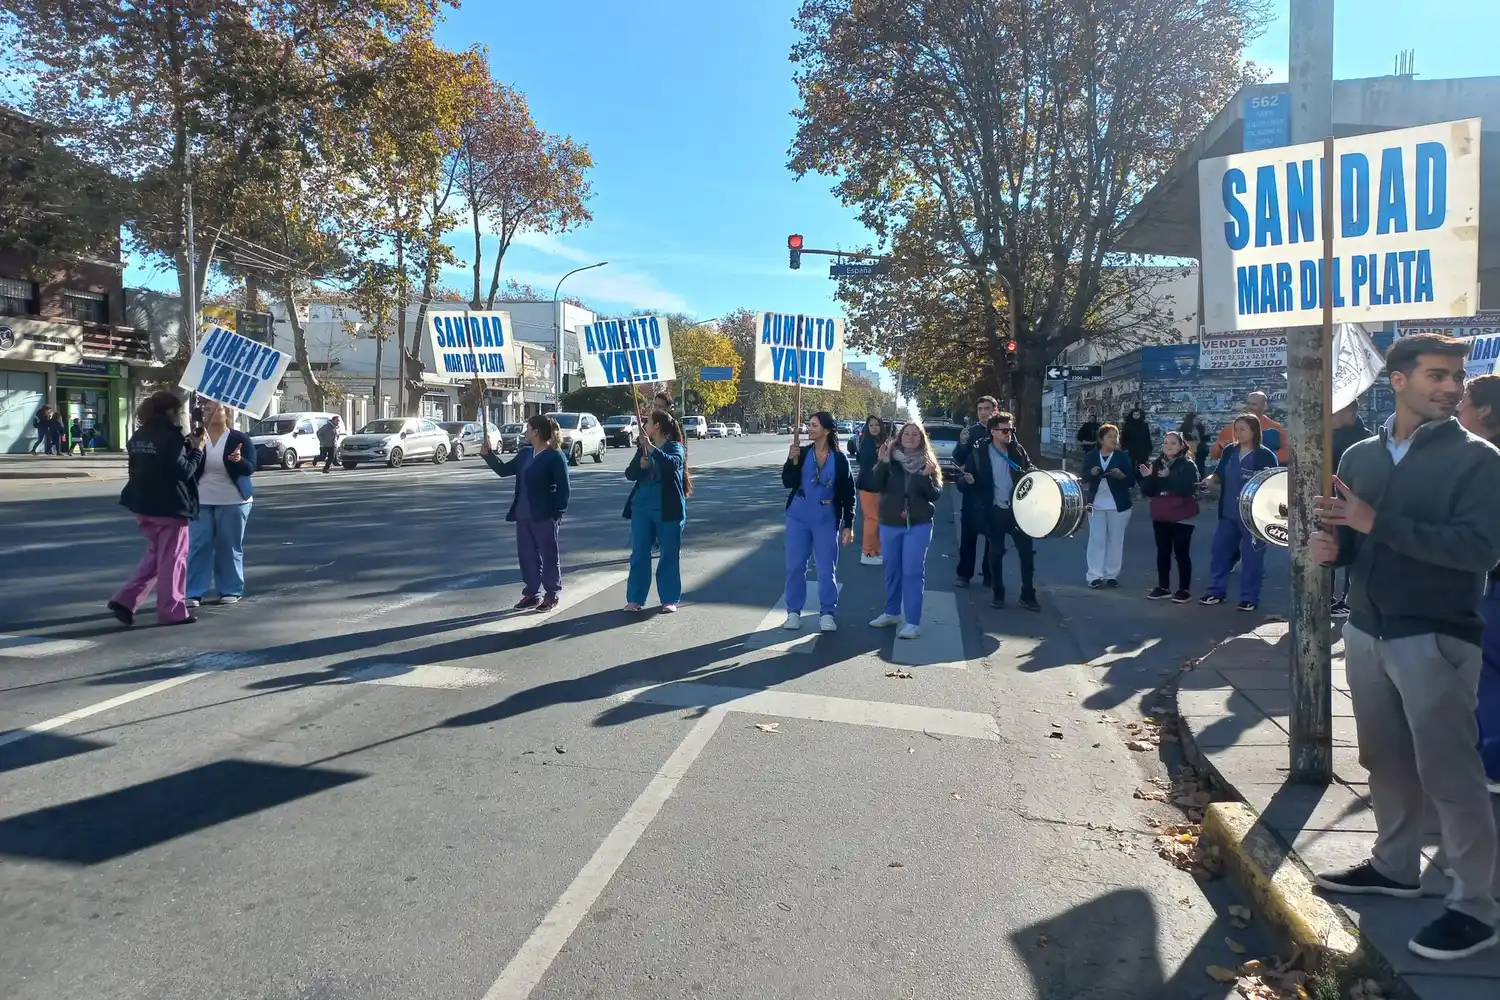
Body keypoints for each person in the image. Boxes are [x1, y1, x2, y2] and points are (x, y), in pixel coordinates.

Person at [1310, 334, 1500, 962]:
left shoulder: (1481, 460)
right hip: (1366, 630)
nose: (1451, 388)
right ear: (1397, 380)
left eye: (1458, 379)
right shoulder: (1361, 456)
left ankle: (1475, 906)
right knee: (1383, 760)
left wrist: (1372, 523)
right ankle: (1394, 867)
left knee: (1450, 774)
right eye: (1438, 376)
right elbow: (1358, 540)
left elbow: (1478, 551)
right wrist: (1335, 549)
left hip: (1437, 633)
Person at [108, 391, 205, 627]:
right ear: (170, 411)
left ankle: (126, 599)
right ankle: (172, 611)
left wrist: (186, 445)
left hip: (143, 505)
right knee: (173, 561)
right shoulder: (170, 437)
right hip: (170, 507)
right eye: (179, 411)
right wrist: (197, 450)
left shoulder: (140, 435)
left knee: (156, 557)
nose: (181, 415)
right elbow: (182, 471)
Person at [1456, 373, 1500, 793]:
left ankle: (1492, 764)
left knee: (1488, 673)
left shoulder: (1484, 459)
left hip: (1493, 582)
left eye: (1466, 398)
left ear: (1485, 409)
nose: (1458, 406)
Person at [483, 413, 570, 612]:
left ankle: (551, 594)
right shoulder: (524, 454)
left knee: (548, 555)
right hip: (523, 513)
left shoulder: (555, 455)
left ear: (536, 432)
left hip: (544, 515)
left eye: (528, 428)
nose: (526, 431)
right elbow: (504, 470)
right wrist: (488, 455)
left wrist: (556, 512)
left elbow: (564, 488)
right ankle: (532, 594)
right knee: (527, 556)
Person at [957, 412, 1041, 612]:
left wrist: (1037, 476)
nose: (1009, 434)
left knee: (1027, 553)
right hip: (993, 510)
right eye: (1005, 430)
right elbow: (962, 481)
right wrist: (967, 481)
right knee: (996, 553)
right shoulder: (979, 453)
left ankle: (1028, 595)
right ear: (992, 431)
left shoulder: (1017, 450)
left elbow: (1029, 470)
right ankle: (998, 593)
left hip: (1018, 511)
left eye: (1011, 430)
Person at [781, 411, 855, 632]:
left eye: (814, 425)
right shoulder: (802, 453)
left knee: (825, 569)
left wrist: (848, 525)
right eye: (809, 425)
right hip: (798, 516)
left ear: (826, 429)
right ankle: (793, 612)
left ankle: (827, 613)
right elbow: (788, 482)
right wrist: (790, 460)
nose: (809, 428)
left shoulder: (840, 460)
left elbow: (848, 494)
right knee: (795, 567)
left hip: (825, 518)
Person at [869, 421, 942, 639]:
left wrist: (925, 476)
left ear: (921, 440)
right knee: (892, 570)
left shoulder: (927, 463)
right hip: (890, 523)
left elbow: (934, 495)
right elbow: (875, 485)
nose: (910, 437)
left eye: (915, 435)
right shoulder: (890, 461)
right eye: (906, 433)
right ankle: (891, 612)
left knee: (912, 572)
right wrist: (882, 463)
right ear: (899, 437)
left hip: (918, 524)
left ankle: (912, 622)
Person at [1200, 414, 1277, 611]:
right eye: (1237, 429)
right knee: (1220, 552)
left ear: (1254, 431)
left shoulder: (1265, 455)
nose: (1238, 433)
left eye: (1243, 429)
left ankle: (1249, 598)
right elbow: (1218, 473)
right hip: (1228, 513)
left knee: (1252, 559)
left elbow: (1273, 485)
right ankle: (1216, 592)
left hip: (1254, 517)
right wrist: (1209, 480)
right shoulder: (1230, 451)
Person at [185, 399, 255, 607]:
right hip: (201, 501)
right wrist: (193, 448)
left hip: (233, 500)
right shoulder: (195, 437)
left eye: (217, 408)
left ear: (228, 413)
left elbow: (251, 468)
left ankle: (230, 589)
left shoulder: (239, 438)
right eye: (207, 409)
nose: (212, 412)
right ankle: (193, 592)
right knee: (199, 545)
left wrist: (238, 461)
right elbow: (185, 466)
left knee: (229, 546)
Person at [623, 409, 691, 612]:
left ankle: (669, 598)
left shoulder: (675, 447)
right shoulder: (643, 448)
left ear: (657, 427)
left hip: (668, 509)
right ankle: (635, 598)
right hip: (642, 508)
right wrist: (640, 465)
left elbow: (672, 464)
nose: (644, 427)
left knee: (669, 554)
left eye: (648, 423)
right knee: (639, 554)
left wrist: (652, 449)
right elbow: (629, 474)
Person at [1139, 430, 1200, 603]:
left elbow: (1188, 488)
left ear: (1181, 445)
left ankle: (1184, 589)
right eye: (1166, 443)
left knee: (1181, 553)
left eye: (1173, 443)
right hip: (1161, 513)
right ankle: (1163, 587)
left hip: (1182, 514)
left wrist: (1170, 476)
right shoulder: (1157, 463)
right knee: (1162, 551)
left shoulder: (1187, 465)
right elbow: (1147, 491)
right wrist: (1147, 478)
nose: (1168, 446)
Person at [1329, 401, 1373, 618]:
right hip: (1328, 503)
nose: (1330, 415)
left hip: (1356, 505)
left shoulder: (1366, 441)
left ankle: (1349, 599)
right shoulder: (1325, 436)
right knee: (1327, 547)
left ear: (1349, 413)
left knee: (1355, 551)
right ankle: (1324, 597)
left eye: (1335, 411)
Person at [1080, 423, 1136, 588]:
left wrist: (1121, 476)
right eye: (1110, 436)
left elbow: (1131, 481)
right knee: (1097, 539)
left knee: (1115, 540)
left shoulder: (1122, 457)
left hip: (1119, 505)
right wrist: (1091, 473)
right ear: (1101, 439)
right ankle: (1094, 575)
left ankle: (1111, 574)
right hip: (1096, 504)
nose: (1114, 440)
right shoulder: (1091, 456)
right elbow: (1082, 477)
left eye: (1116, 436)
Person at [951, 396, 997, 588]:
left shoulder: (1003, 430)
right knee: (969, 534)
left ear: (995, 410)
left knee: (993, 537)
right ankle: (964, 574)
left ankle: (990, 574)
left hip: (995, 491)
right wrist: (962, 443)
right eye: (980, 409)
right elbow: (957, 458)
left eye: (987, 408)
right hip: (972, 491)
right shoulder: (970, 432)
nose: (983, 412)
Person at [1212, 390, 1288, 465]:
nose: (1250, 407)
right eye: (1248, 404)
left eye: (1254, 404)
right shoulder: (1232, 428)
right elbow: (1215, 454)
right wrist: (1221, 447)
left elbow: (1287, 453)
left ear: (1264, 406)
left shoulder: (1275, 428)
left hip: (1267, 474)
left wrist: (1263, 458)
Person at [854, 414, 888, 566]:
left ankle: (877, 551)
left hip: (878, 485)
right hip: (868, 485)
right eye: (871, 425)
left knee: (878, 520)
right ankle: (867, 552)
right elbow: (868, 462)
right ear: (867, 428)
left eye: (877, 425)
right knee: (872, 519)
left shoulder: (879, 442)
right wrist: (881, 456)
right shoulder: (867, 442)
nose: (874, 428)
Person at [1120, 408, 1153, 472]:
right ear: (1131, 415)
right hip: (1130, 449)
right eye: (1134, 414)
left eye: (1137, 414)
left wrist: (1149, 447)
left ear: (1140, 415)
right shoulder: (1127, 425)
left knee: (1142, 467)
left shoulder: (1144, 425)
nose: (1136, 416)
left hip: (1142, 448)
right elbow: (1123, 437)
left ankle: (1141, 480)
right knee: (1130, 466)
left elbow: (1147, 437)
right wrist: (1124, 447)